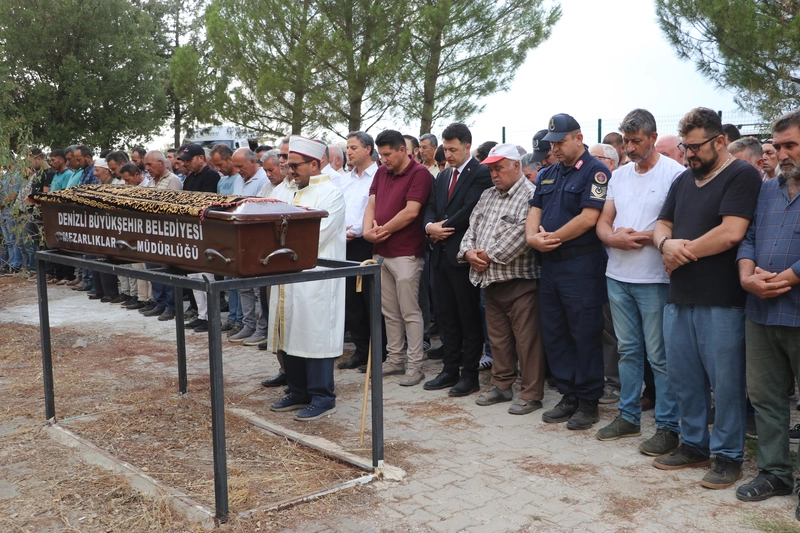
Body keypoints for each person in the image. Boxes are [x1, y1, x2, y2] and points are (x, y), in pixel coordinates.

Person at [652, 107, 762, 489]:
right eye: (685, 147)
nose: (688, 154)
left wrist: (680, 251)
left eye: (696, 147)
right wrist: (664, 244)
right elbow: (661, 225)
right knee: (684, 378)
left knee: (726, 384)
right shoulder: (683, 180)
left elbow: (732, 232)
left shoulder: (742, 174)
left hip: (723, 299)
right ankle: (694, 444)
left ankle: (728, 456)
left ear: (720, 141)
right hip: (680, 296)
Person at [593, 109, 685, 456]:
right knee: (628, 350)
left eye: (636, 141)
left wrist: (642, 238)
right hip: (617, 275)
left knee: (660, 356)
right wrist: (611, 238)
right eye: (626, 141)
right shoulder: (618, 176)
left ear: (653, 137)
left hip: (655, 278)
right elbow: (604, 220)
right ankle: (628, 416)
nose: (629, 148)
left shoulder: (674, 174)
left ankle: (668, 427)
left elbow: (677, 225)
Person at [526, 113, 610, 431]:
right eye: (552, 143)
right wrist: (531, 238)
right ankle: (568, 394)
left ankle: (589, 400)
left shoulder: (595, 171)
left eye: (561, 142)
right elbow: (534, 209)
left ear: (578, 138)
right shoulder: (548, 173)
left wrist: (552, 238)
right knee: (556, 332)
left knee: (584, 333)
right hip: (550, 266)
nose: (555, 148)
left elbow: (589, 217)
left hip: (581, 265)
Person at [735, 109, 800, 510]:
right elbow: (748, 238)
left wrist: (788, 277)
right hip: (760, 310)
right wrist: (746, 274)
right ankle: (775, 472)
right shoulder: (766, 190)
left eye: (790, 145)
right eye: (778, 146)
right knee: (765, 397)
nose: (781, 154)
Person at [459, 143, 545, 414]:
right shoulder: (487, 195)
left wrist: (483, 256)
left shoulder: (531, 194)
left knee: (527, 342)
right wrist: (467, 252)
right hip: (489, 280)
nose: (494, 174)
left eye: (499, 168)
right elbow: (472, 228)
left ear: (517, 166)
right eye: (491, 169)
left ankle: (531, 394)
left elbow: (521, 237)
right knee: (498, 339)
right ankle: (501, 385)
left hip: (519, 281)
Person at [267, 136, 346, 421]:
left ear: (315, 164)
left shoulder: (331, 194)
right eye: (288, 165)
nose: (290, 171)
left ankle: (323, 396)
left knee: (315, 333)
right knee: (291, 330)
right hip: (286, 274)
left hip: (316, 279)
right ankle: (298, 390)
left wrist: (279, 243)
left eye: (295, 166)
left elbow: (316, 236)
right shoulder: (287, 192)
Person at [423, 122, 492, 397]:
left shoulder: (481, 173)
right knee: (446, 317)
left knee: (468, 318)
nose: (448, 155)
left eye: (453, 150)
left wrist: (442, 228)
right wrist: (430, 227)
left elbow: (470, 209)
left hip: (463, 256)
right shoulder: (442, 176)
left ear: (467, 147)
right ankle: (449, 369)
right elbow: (431, 206)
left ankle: (470, 374)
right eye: (445, 149)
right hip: (440, 256)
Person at [363, 129, 432, 387]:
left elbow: (411, 212)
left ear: (402, 150)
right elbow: (371, 204)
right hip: (381, 252)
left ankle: (415, 365)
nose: (383, 160)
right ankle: (395, 358)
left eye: (388, 154)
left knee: (409, 311)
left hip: (406, 252)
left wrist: (382, 231)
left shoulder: (420, 173)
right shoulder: (381, 172)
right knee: (389, 312)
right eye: (381, 155)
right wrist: (367, 232)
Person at [337, 131, 381, 370]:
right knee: (352, 302)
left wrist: (354, 230)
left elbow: (374, 212)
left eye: (353, 147)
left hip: (367, 243)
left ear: (368, 149)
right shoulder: (346, 179)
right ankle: (360, 351)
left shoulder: (379, 176)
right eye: (347, 148)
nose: (349, 152)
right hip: (345, 244)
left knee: (370, 300)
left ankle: (379, 352)